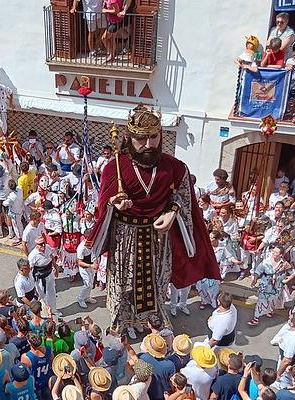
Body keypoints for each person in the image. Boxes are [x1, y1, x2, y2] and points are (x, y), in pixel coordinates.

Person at [86, 105, 220, 335]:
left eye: (154, 137)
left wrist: (173, 212)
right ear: (129, 138)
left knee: (156, 282)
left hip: (158, 237)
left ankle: (153, 321)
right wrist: (114, 204)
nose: (149, 145)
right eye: (141, 138)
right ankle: (123, 321)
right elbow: (104, 204)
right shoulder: (114, 168)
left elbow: (184, 197)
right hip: (125, 237)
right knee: (124, 281)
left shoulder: (175, 168)